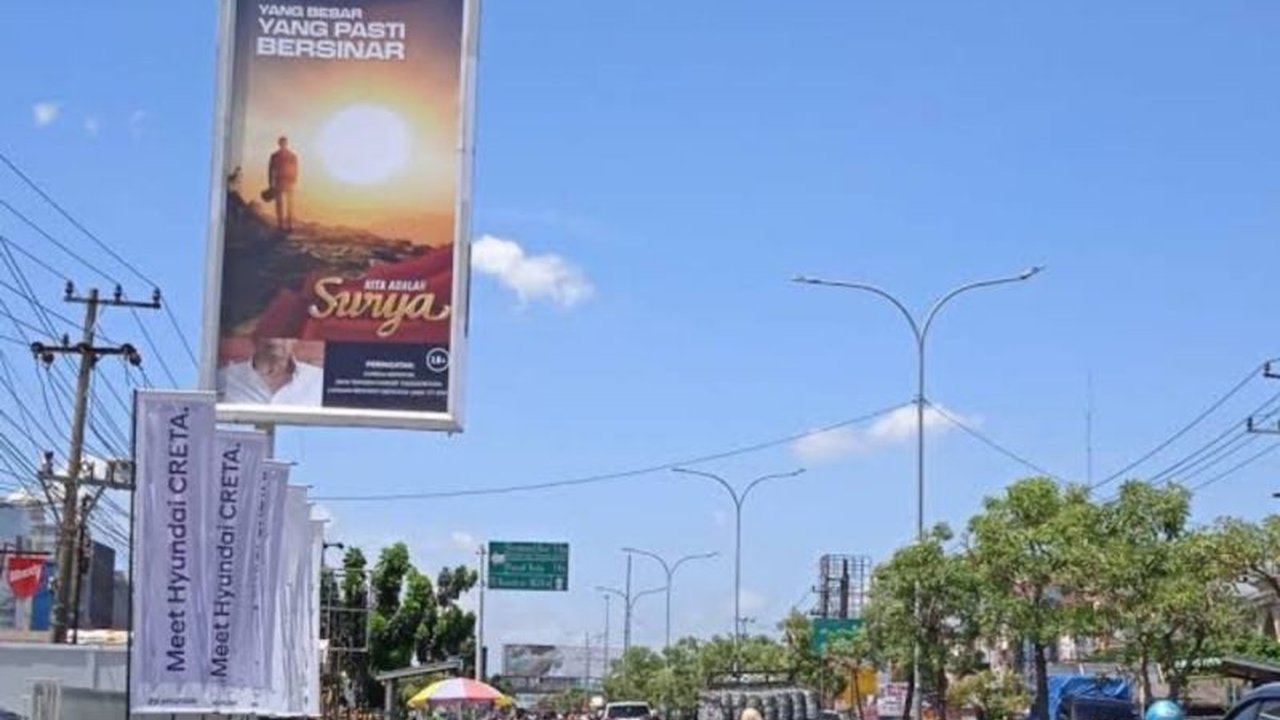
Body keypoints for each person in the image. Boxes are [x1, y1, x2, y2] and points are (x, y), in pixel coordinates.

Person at [219, 337, 323, 406]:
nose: (276, 340)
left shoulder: (318, 380)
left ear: (295, 338)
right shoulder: (224, 378)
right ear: (255, 337)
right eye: (269, 331)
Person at [268, 135, 299, 231]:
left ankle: (288, 225)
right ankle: (281, 225)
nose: (282, 144)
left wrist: (294, 179)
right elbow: (270, 170)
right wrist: (270, 182)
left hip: (287, 181)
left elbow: (295, 169)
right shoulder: (275, 156)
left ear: (285, 144)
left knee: (289, 204)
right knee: (280, 204)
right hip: (279, 181)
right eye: (281, 143)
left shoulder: (292, 156)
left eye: (283, 143)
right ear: (279, 144)